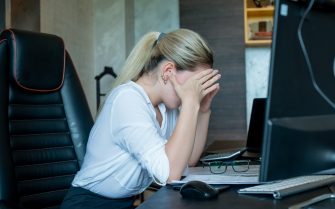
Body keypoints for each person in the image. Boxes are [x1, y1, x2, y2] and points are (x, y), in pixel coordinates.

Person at [61, 28, 221, 209]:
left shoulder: (166, 106)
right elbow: (170, 174)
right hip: (88, 204)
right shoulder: (127, 99)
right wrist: (191, 103)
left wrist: (204, 109)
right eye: (196, 83)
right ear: (168, 71)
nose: (198, 90)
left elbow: (188, 159)